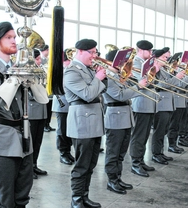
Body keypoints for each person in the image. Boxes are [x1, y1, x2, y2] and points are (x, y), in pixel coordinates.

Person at [0, 21, 37, 208]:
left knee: (23, 195)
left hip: (24, 137)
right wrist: (16, 77)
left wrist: (33, 75)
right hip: (2, 138)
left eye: (15, 37)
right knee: (5, 199)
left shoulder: (17, 66)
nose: (15, 41)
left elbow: (41, 98)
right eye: (9, 37)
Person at [64, 39, 106, 208]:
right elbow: (88, 94)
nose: (95, 56)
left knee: (91, 164)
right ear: (80, 51)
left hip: (94, 122)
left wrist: (102, 76)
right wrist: (98, 78)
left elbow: (101, 89)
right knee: (81, 165)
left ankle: (84, 196)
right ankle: (76, 200)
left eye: (95, 52)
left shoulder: (87, 70)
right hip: (82, 123)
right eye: (92, 52)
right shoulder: (72, 72)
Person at [102, 49, 147, 195]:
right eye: (122, 62)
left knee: (121, 152)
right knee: (113, 152)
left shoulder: (119, 75)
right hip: (115, 116)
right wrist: (138, 86)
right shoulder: (108, 76)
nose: (124, 64)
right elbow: (119, 95)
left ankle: (118, 178)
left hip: (125, 116)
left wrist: (129, 79)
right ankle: (111, 180)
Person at [129, 40, 157, 178]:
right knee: (138, 135)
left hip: (148, 104)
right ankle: (135, 163)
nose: (151, 53)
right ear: (141, 50)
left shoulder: (146, 63)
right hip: (140, 104)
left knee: (145, 134)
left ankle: (140, 160)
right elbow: (142, 82)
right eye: (149, 51)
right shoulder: (135, 63)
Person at [28, 48, 48, 179]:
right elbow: (29, 93)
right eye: (37, 58)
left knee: (38, 141)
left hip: (41, 111)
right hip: (32, 111)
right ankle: (28, 168)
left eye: (40, 58)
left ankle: (34, 164)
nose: (40, 61)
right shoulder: (27, 73)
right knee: (30, 142)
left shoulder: (41, 72)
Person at [52, 48, 74, 165]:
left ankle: (68, 151)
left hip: (72, 103)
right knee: (62, 129)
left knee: (70, 129)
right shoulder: (59, 69)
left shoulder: (72, 67)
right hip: (62, 102)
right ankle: (63, 152)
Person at [40, 44, 56, 132]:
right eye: (48, 50)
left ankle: (48, 124)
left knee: (49, 107)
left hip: (49, 86)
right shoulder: (41, 60)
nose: (49, 52)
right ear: (44, 50)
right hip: (43, 87)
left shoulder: (49, 60)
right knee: (45, 107)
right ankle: (44, 125)